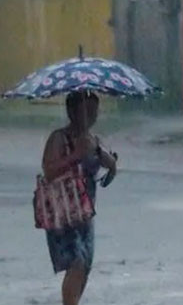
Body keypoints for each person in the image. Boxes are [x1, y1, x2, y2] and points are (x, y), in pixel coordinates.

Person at [41, 91, 117, 305]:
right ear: (71, 112)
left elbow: (107, 169)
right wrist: (75, 155)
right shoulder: (59, 138)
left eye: (94, 111)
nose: (91, 116)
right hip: (63, 211)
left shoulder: (93, 140)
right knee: (77, 261)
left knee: (85, 265)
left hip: (85, 212)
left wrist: (107, 160)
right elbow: (49, 171)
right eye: (86, 111)